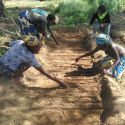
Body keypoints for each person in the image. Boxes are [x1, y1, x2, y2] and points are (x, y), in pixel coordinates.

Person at [0, 36, 67, 87]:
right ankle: (15, 77)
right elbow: (45, 72)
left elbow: (8, 43)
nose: (40, 48)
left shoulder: (19, 42)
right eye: (38, 47)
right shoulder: (30, 57)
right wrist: (59, 82)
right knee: (28, 64)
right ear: (32, 47)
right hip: (6, 73)